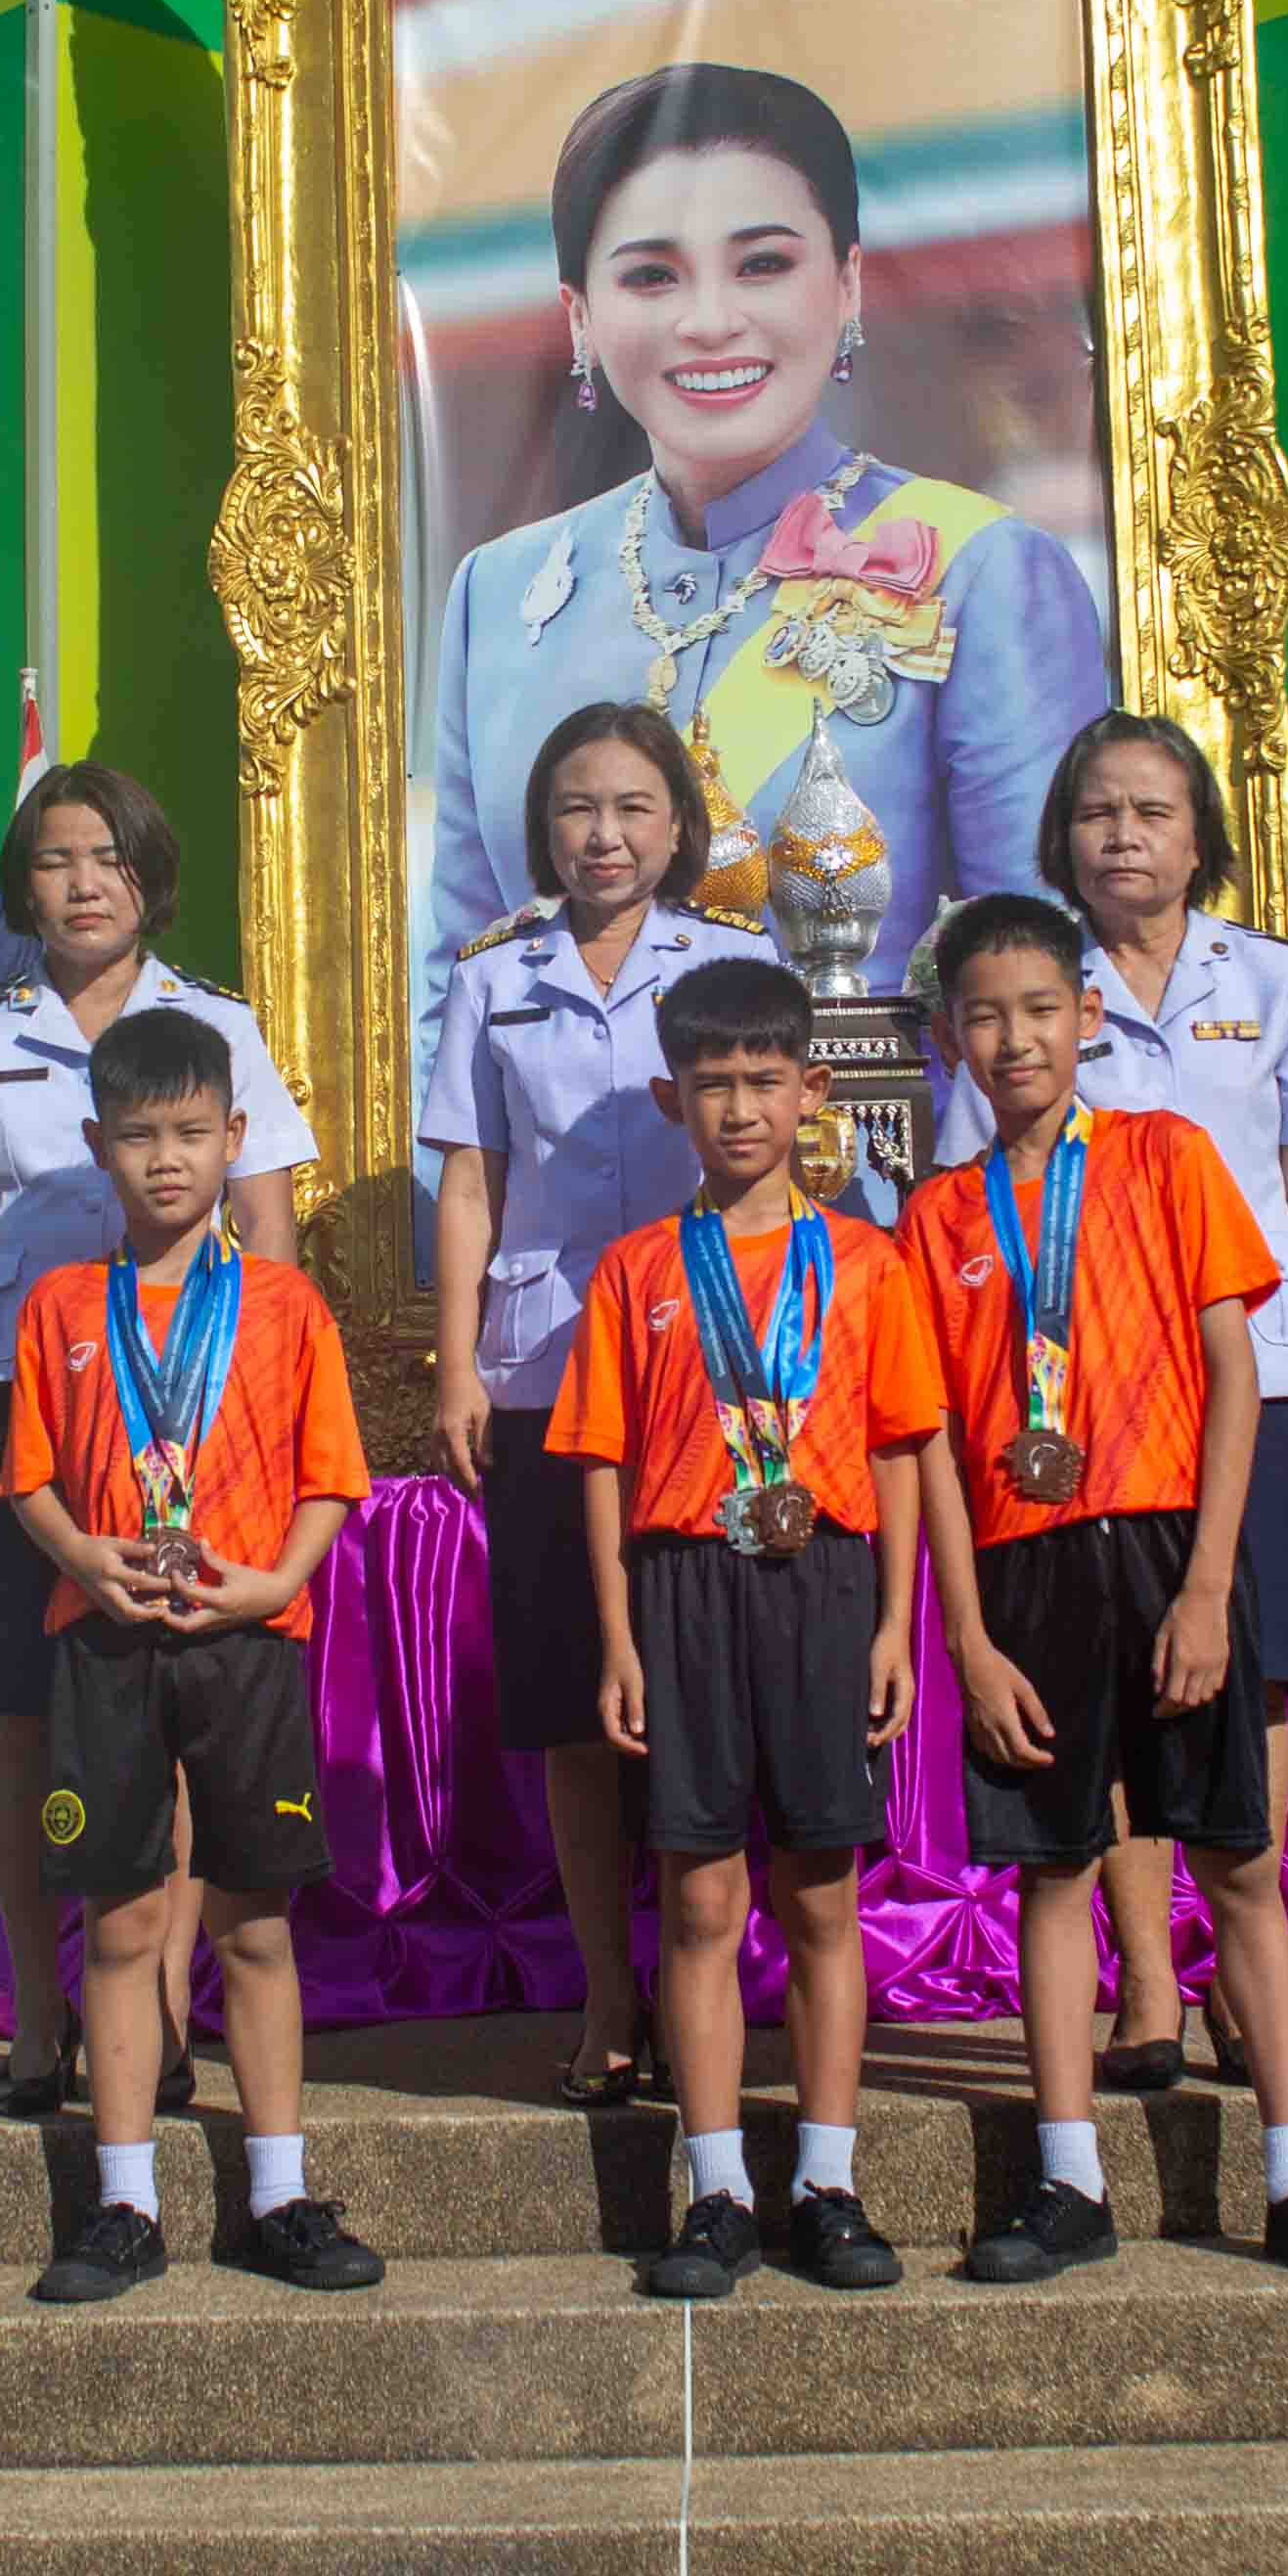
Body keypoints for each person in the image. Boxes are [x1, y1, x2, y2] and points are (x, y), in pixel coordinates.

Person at [906, 892, 1288, 2287]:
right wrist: (967, 1636)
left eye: (1040, 1010)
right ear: (950, 1039)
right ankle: (1068, 2178)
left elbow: (1236, 1373)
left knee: (1238, 1861)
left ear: (1086, 1017)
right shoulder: (937, 1217)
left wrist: (1206, 1588)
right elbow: (930, 1441)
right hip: (1024, 1566)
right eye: (985, 1017)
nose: (1015, 1040)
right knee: (1054, 1867)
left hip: (1173, 1543)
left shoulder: (1166, 1155)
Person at [421, 61, 1108, 983]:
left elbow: (1045, 983)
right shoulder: (499, 593)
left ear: (847, 284)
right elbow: (456, 975)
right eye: (652, 276)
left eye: (763, 265)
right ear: (580, 318)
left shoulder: (981, 572)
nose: (710, 321)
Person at [935, 708, 1288, 2097]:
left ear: (1202, 839)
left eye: (1152, 811)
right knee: (1110, 1688)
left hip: (1262, 1375)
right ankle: (1145, 1984)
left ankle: (1249, 1966)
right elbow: (971, 1212)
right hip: (1082, 1418)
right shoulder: (1032, 986)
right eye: (1097, 812)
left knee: (1251, 1670)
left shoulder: (1275, 978)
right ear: (1062, 838)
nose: (1123, 835)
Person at [0, 764, 314, 2122]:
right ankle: (35, 2010)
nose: (83, 885)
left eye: (109, 858)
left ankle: (162, 2007)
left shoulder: (218, 1026)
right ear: (24, 887)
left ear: (150, 875)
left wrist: (266, 1399)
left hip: (185, 1409)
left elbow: (270, 1222)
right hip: (18, 1400)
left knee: (171, 1701)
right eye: (56, 860)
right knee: (23, 1712)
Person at [551, 956, 934, 2298]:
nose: (739, 1109)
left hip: (823, 1581)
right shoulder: (636, 1270)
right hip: (683, 1587)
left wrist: (896, 1621)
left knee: (821, 1892)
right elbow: (601, 1463)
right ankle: (714, 2190)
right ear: (672, 1098)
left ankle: (827, 2180)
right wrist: (618, 1638)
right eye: (712, 1084)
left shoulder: (867, 1263)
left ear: (813, 1090)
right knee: (701, 1895)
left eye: (765, 1081)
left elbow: (898, 1450)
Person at [0, 1008, 380, 2304]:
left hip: (247, 1640)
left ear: (234, 1138)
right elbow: (29, 1477)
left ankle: (278, 2196)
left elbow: (330, 1476)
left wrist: (279, 1581)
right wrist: (81, 1556)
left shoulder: (285, 1305)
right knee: (122, 1922)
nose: (167, 1160)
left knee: (254, 1921)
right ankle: (122, 2204)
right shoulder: (60, 1305)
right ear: (97, 1143)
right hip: (106, 1645)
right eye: (139, 1136)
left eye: (192, 1134)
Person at [423, 700, 776, 2106]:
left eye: (633, 807)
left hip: (714, 1369)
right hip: (547, 1367)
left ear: (680, 825)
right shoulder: (493, 977)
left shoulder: (736, 962)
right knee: (578, 1702)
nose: (605, 835)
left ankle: (710, 1990)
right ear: (543, 827)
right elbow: (471, 1180)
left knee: (702, 1693)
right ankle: (608, 1996)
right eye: (577, 808)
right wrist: (457, 1363)